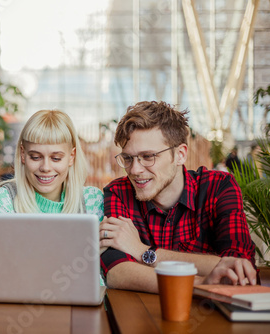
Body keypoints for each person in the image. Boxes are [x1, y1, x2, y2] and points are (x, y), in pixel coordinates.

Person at [99, 101, 256, 294]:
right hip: (140, 316)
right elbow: (117, 272)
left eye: (148, 156)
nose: (135, 170)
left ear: (180, 155)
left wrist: (142, 251)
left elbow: (238, 267)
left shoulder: (218, 187)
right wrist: (204, 283)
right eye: (128, 158)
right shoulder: (118, 192)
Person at [0, 109, 104, 221]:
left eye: (56, 158)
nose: (45, 167)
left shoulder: (92, 201)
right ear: (23, 154)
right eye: (35, 157)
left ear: (71, 157)